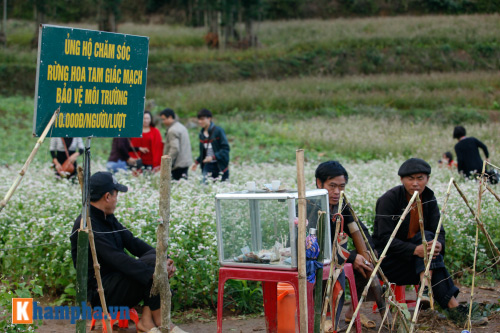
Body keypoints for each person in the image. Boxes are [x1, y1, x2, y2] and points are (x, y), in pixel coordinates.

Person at [372, 158, 487, 326]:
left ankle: (427, 289)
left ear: (428, 179)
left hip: (420, 262)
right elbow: (383, 238)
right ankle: (453, 308)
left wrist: (438, 244)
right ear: (402, 180)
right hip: (391, 261)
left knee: (428, 238)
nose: (415, 183)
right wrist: (413, 250)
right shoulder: (389, 199)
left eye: (420, 178)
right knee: (430, 253)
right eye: (410, 179)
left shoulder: (429, 198)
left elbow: (439, 230)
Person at [70, 172, 187, 333]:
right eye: (116, 194)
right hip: (103, 293)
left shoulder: (107, 217)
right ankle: (161, 322)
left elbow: (133, 242)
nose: (117, 199)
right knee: (151, 266)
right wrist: (156, 272)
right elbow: (116, 259)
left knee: (154, 260)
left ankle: (147, 321)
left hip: (119, 282)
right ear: (107, 196)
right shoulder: (87, 223)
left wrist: (164, 259)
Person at [315, 161, 377, 329]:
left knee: (371, 259)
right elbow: (320, 247)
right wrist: (352, 256)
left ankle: (354, 311)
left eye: (341, 186)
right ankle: (325, 316)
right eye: (332, 186)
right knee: (333, 268)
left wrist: (367, 253)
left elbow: (361, 231)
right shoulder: (311, 205)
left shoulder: (341, 205)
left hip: (339, 254)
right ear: (319, 183)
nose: (337, 192)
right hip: (319, 257)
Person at [191, 109, 230, 182]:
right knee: (204, 187)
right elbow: (204, 152)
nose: (200, 122)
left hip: (220, 166)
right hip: (207, 166)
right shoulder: (201, 134)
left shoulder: (218, 131)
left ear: (209, 118)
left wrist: (212, 157)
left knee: (223, 189)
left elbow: (225, 149)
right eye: (199, 119)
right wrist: (196, 162)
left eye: (202, 119)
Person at [160, 108, 193, 180]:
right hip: (185, 162)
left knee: (174, 186)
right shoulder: (181, 126)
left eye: (164, 119)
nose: (163, 122)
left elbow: (175, 148)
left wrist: (167, 163)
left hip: (177, 164)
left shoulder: (172, 130)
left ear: (171, 117)